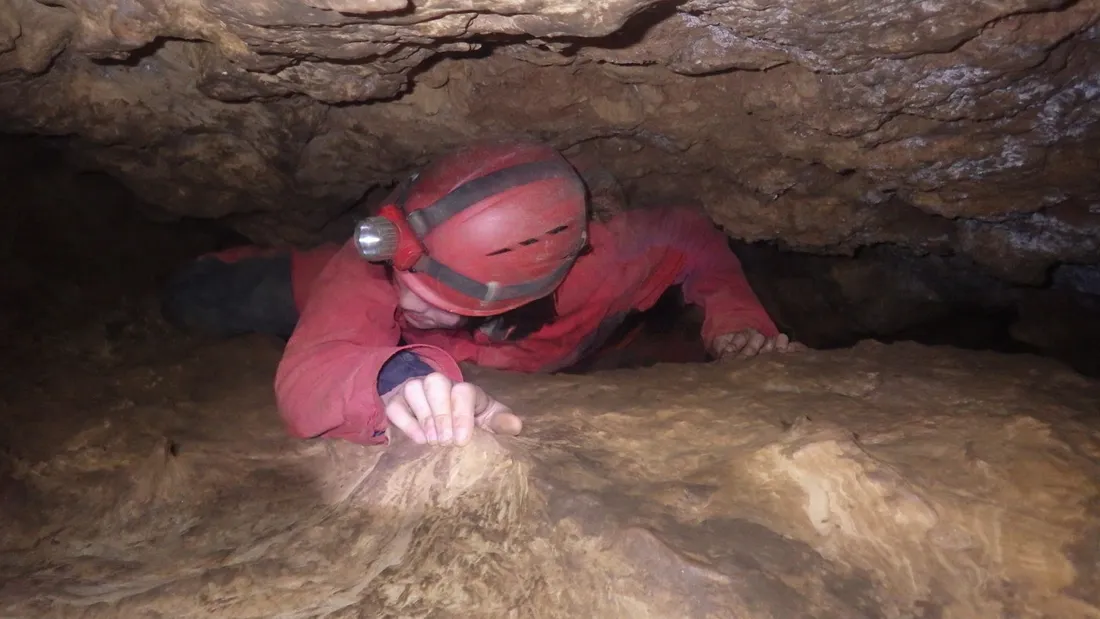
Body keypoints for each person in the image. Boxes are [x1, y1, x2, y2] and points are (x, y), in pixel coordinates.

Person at [161, 139, 803, 449]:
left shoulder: (602, 260)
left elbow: (693, 239)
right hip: (326, 296)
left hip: (542, 351)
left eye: (435, 299)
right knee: (195, 297)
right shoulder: (375, 265)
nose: (410, 300)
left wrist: (735, 323)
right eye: (410, 280)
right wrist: (398, 380)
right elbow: (314, 371)